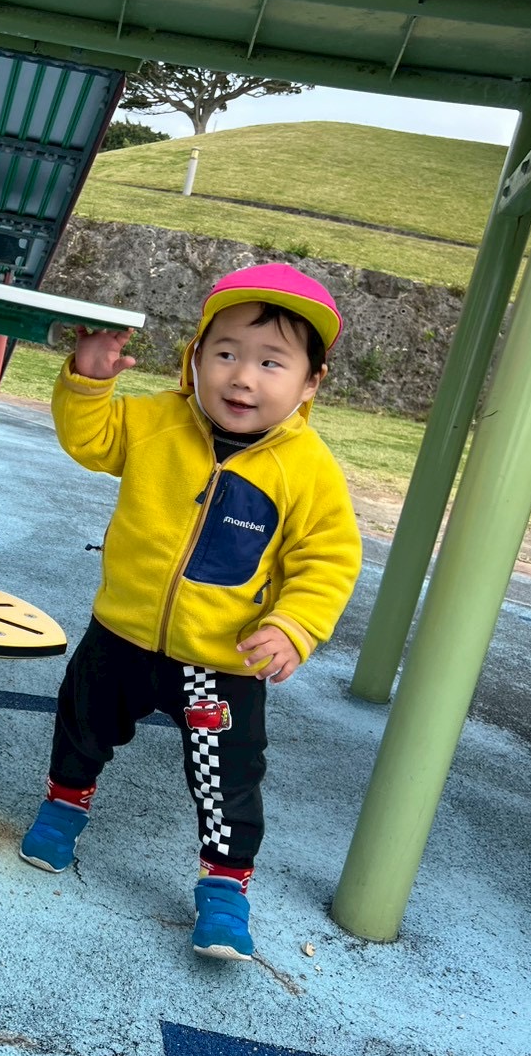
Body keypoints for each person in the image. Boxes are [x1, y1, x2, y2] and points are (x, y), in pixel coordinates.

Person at [19, 262, 362, 961]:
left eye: (272, 362)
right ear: (194, 358)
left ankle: (225, 888)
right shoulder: (155, 421)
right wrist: (87, 380)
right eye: (226, 353)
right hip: (121, 632)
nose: (243, 378)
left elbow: (326, 560)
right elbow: (91, 438)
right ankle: (63, 805)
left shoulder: (307, 469)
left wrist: (293, 625)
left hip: (219, 659)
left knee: (227, 778)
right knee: (82, 724)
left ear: (310, 383)